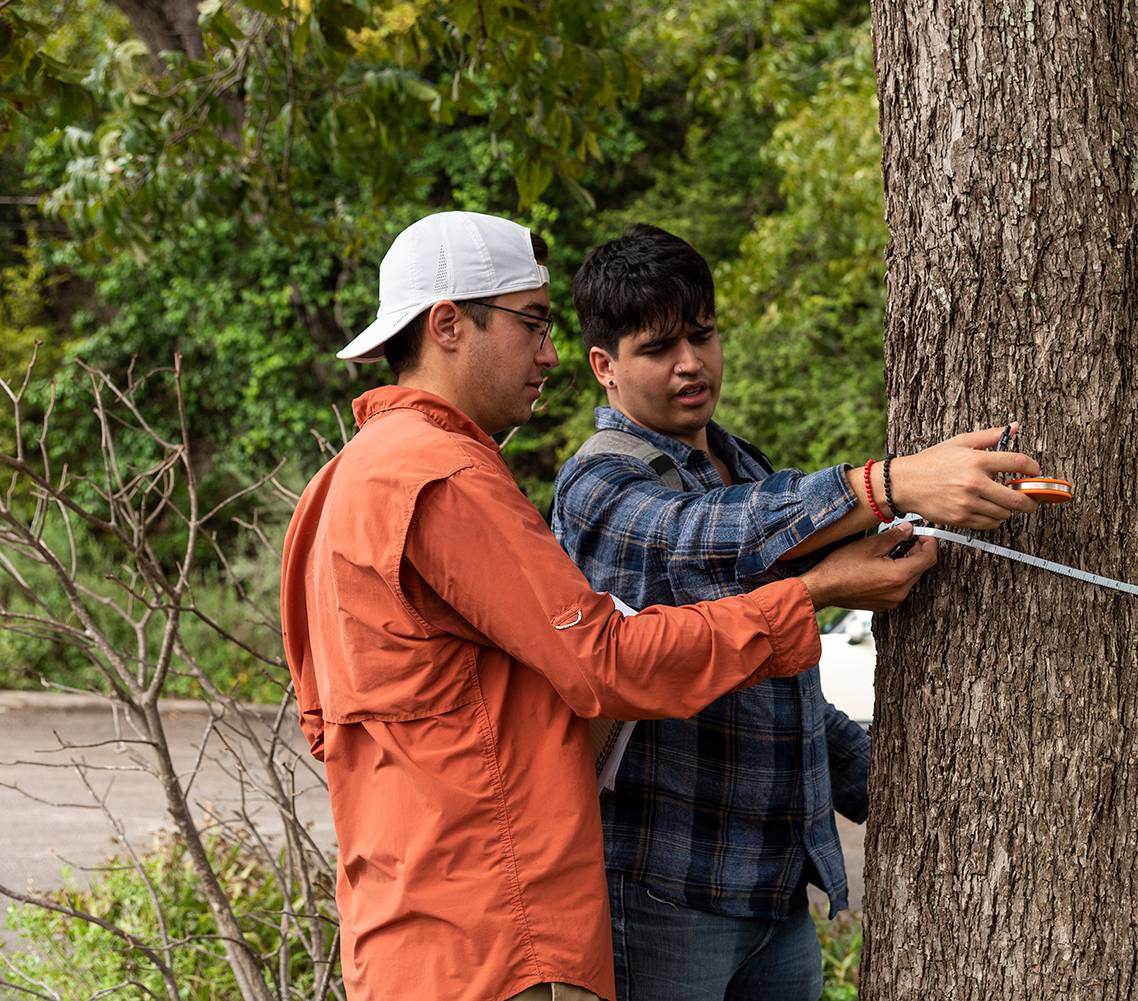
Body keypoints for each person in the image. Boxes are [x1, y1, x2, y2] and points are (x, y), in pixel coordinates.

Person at [278, 212, 938, 1001]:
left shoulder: (346, 480)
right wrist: (831, 565)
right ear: (448, 324)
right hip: (499, 930)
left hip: (425, 920)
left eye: (703, 335)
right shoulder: (443, 477)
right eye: (532, 324)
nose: (547, 353)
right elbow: (607, 660)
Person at [551, 223, 1042, 1001]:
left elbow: (785, 698)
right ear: (603, 367)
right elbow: (704, 535)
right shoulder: (599, 485)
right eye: (657, 349)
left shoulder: (739, 462)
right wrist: (890, 484)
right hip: (661, 890)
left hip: (775, 895)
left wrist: (926, 791)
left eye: (703, 335)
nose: (690, 363)